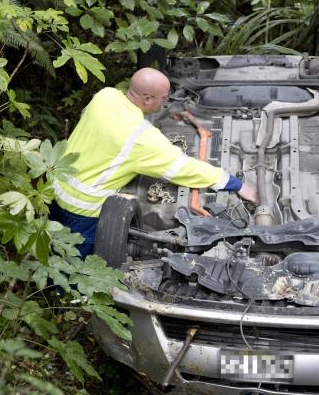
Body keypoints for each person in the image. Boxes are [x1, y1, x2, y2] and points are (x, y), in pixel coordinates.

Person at [50, 67, 258, 257]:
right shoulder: (140, 138)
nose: (166, 102)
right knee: (74, 260)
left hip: (56, 185)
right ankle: (68, 296)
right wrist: (235, 183)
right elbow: (184, 168)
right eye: (164, 98)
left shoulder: (105, 96)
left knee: (53, 240)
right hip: (83, 209)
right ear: (148, 99)